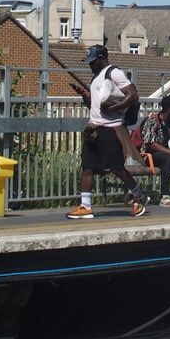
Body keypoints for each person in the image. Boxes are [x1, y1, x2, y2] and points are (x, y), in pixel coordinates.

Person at [66, 45, 150, 219]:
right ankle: (85, 206)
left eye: (93, 61)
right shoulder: (96, 78)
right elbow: (95, 106)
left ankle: (139, 195)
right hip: (94, 128)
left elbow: (132, 94)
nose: (90, 65)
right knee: (87, 167)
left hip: (111, 129)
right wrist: (84, 96)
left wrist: (113, 108)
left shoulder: (114, 73)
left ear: (103, 58)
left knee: (116, 168)